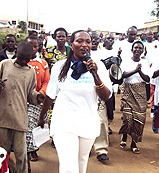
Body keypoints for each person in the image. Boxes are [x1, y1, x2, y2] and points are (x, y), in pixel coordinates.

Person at [38, 30, 112, 173]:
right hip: (64, 123)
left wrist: (95, 74)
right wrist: (42, 117)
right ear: (71, 45)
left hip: (87, 122)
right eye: (79, 41)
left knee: (81, 163)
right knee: (68, 167)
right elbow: (50, 95)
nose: (84, 45)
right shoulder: (60, 67)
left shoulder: (99, 67)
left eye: (88, 42)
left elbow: (106, 96)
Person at [0, 41, 44, 173]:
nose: (24, 61)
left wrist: (38, 97)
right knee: (2, 153)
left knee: (21, 155)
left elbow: (30, 94)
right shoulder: (4, 65)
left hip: (20, 120)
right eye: (21, 57)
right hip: (3, 117)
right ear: (16, 53)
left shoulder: (30, 72)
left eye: (27, 59)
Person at [119, 40, 150, 154]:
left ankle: (134, 142)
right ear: (132, 50)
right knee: (128, 118)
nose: (137, 50)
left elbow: (147, 79)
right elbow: (122, 75)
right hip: (128, 90)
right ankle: (124, 136)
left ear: (142, 51)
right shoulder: (126, 61)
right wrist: (135, 70)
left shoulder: (145, 62)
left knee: (139, 119)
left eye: (140, 48)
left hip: (140, 92)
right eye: (135, 48)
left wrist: (140, 71)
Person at [25, 36, 50, 166]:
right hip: (21, 100)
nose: (33, 49)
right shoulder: (18, 62)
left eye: (35, 46)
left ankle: (32, 150)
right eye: (30, 46)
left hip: (36, 101)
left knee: (32, 127)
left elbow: (46, 81)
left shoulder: (43, 63)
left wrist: (40, 94)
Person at [89, 31, 111, 163]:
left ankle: (101, 150)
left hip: (98, 97)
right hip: (80, 100)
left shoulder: (100, 60)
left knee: (101, 123)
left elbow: (106, 80)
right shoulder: (73, 59)